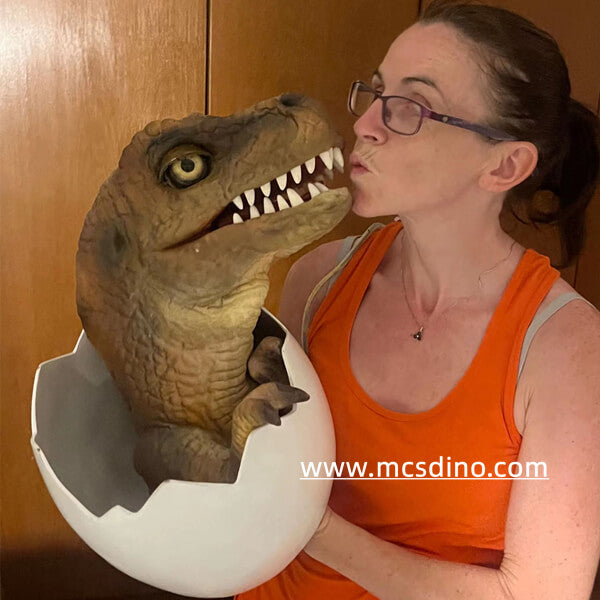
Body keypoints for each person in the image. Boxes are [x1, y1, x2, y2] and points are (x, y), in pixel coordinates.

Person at [235, 1, 600, 598]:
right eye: (376, 92)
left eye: (410, 107)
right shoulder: (317, 281)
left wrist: (314, 528)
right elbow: (260, 466)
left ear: (505, 164)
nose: (366, 124)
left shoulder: (566, 347)